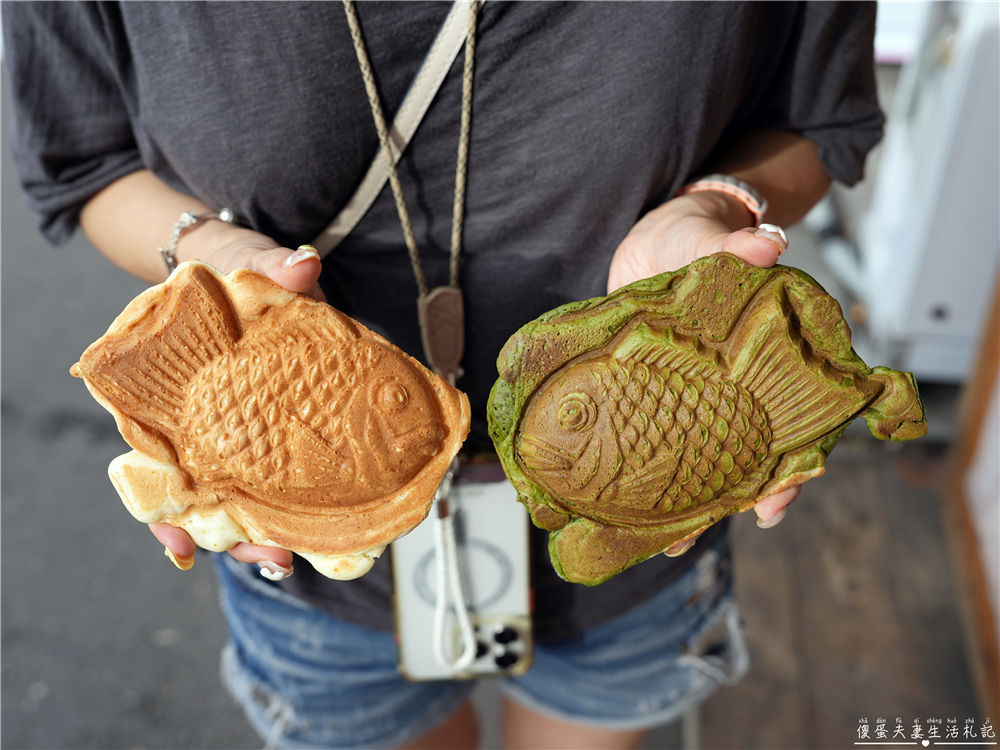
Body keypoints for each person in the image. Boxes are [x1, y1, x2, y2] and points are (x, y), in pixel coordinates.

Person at [2, 2, 883, 748]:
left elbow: (823, 120)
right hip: (315, 568)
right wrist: (213, 258)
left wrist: (714, 209)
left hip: (641, 532)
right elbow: (86, 161)